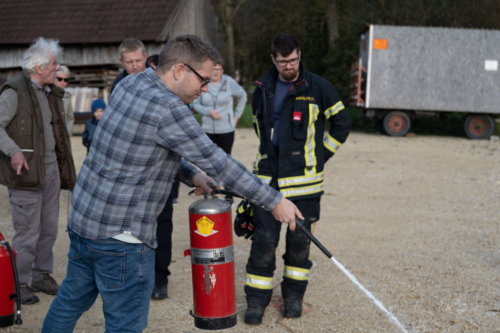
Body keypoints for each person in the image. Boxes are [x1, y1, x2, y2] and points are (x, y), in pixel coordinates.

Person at [42, 34, 302, 333]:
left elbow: (141, 146)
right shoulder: (170, 109)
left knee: (68, 302)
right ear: (179, 70)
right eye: (203, 80)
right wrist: (274, 201)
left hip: (84, 222)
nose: (205, 90)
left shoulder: (130, 83)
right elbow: (220, 163)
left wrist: (192, 174)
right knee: (124, 326)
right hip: (121, 239)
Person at [243, 33, 351, 325]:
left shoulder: (319, 87)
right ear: (273, 60)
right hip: (268, 182)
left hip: (305, 185)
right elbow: (260, 130)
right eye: (282, 62)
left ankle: (293, 297)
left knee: (299, 245)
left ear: (299, 55)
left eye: (293, 60)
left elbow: (342, 123)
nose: (288, 66)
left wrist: (321, 156)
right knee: (263, 242)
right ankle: (256, 301)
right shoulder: (262, 88)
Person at [0, 37, 76, 305]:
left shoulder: (49, 90)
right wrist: (14, 151)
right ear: (39, 67)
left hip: (50, 169)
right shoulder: (14, 91)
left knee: (49, 229)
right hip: (26, 173)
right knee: (28, 232)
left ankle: (41, 276)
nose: (58, 68)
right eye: (54, 64)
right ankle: (19, 283)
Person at [192, 58, 247, 206]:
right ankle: (212, 190)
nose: (216, 72)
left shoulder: (229, 82)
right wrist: (208, 111)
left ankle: (228, 194)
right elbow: (195, 103)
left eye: (219, 69)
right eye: (213, 69)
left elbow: (243, 96)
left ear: (223, 70)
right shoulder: (203, 82)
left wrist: (236, 117)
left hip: (226, 129)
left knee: (225, 161)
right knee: (209, 160)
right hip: (208, 129)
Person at [53, 65, 75, 135]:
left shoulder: (67, 97)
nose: (63, 82)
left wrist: (68, 133)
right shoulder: (45, 94)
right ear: (54, 78)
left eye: (66, 80)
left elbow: (70, 117)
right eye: (60, 79)